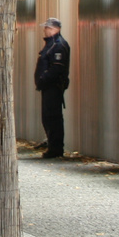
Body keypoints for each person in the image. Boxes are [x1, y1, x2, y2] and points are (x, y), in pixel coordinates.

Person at [35, 17, 71, 159]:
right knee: (48, 118)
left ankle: (55, 149)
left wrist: (43, 79)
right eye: (46, 28)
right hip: (48, 87)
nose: (46, 30)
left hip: (53, 87)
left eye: (48, 28)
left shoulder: (58, 45)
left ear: (56, 29)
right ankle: (52, 145)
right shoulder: (51, 45)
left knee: (53, 118)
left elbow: (56, 68)